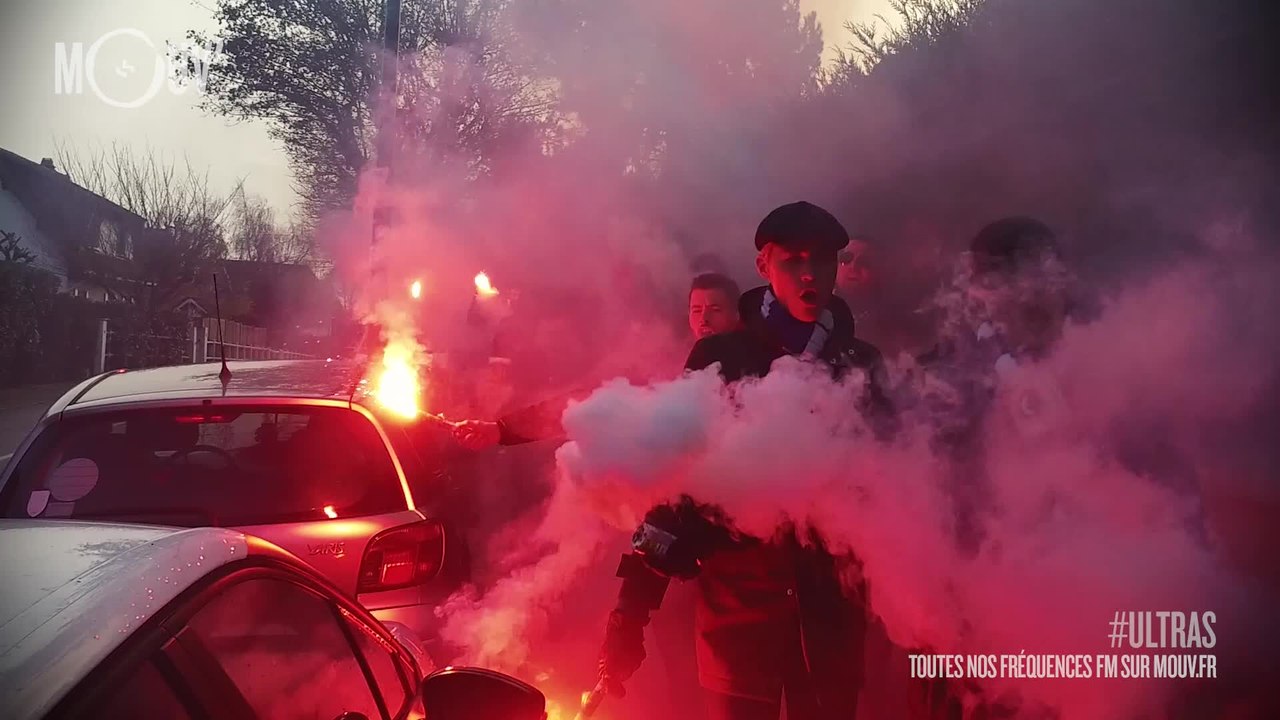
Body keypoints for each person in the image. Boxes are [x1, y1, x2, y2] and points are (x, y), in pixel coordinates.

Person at [596, 201, 894, 720]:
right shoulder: (721, 359)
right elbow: (672, 488)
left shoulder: (862, 366)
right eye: (792, 260)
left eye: (821, 260)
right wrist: (631, 610)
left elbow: (897, 492)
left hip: (831, 629)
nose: (809, 274)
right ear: (763, 267)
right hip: (739, 622)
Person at [688, 272, 743, 340]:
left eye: (715, 310)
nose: (703, 319)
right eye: (697, 311)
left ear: (736, 314)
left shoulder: (752, 348)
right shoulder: (681, 348)